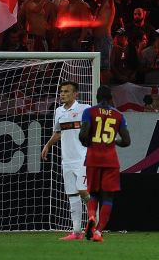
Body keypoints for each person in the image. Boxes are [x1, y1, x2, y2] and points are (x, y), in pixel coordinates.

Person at [78, 85, 131, 243]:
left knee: (93, 193)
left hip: (93, 158)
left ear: (97, 98)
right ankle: (99, 232)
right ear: (111, 98)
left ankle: (92, 217)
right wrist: (114, 141)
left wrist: (88, 143)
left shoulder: (89, 112)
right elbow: (127, 141)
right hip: (110, 160)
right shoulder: (119, 115)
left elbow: (83, 134)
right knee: (108, 196)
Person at [40, 81, 89, 240]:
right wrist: (47, 145)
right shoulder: (59, 111)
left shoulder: (85, 109)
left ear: (75, 94)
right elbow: (58, 132)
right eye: (61, 91)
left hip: (83, 157)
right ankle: (76, 232)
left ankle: (95, 223)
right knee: (72, 195)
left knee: (84, 192)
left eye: (66, 91)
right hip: (66, 160)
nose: (62, 94)